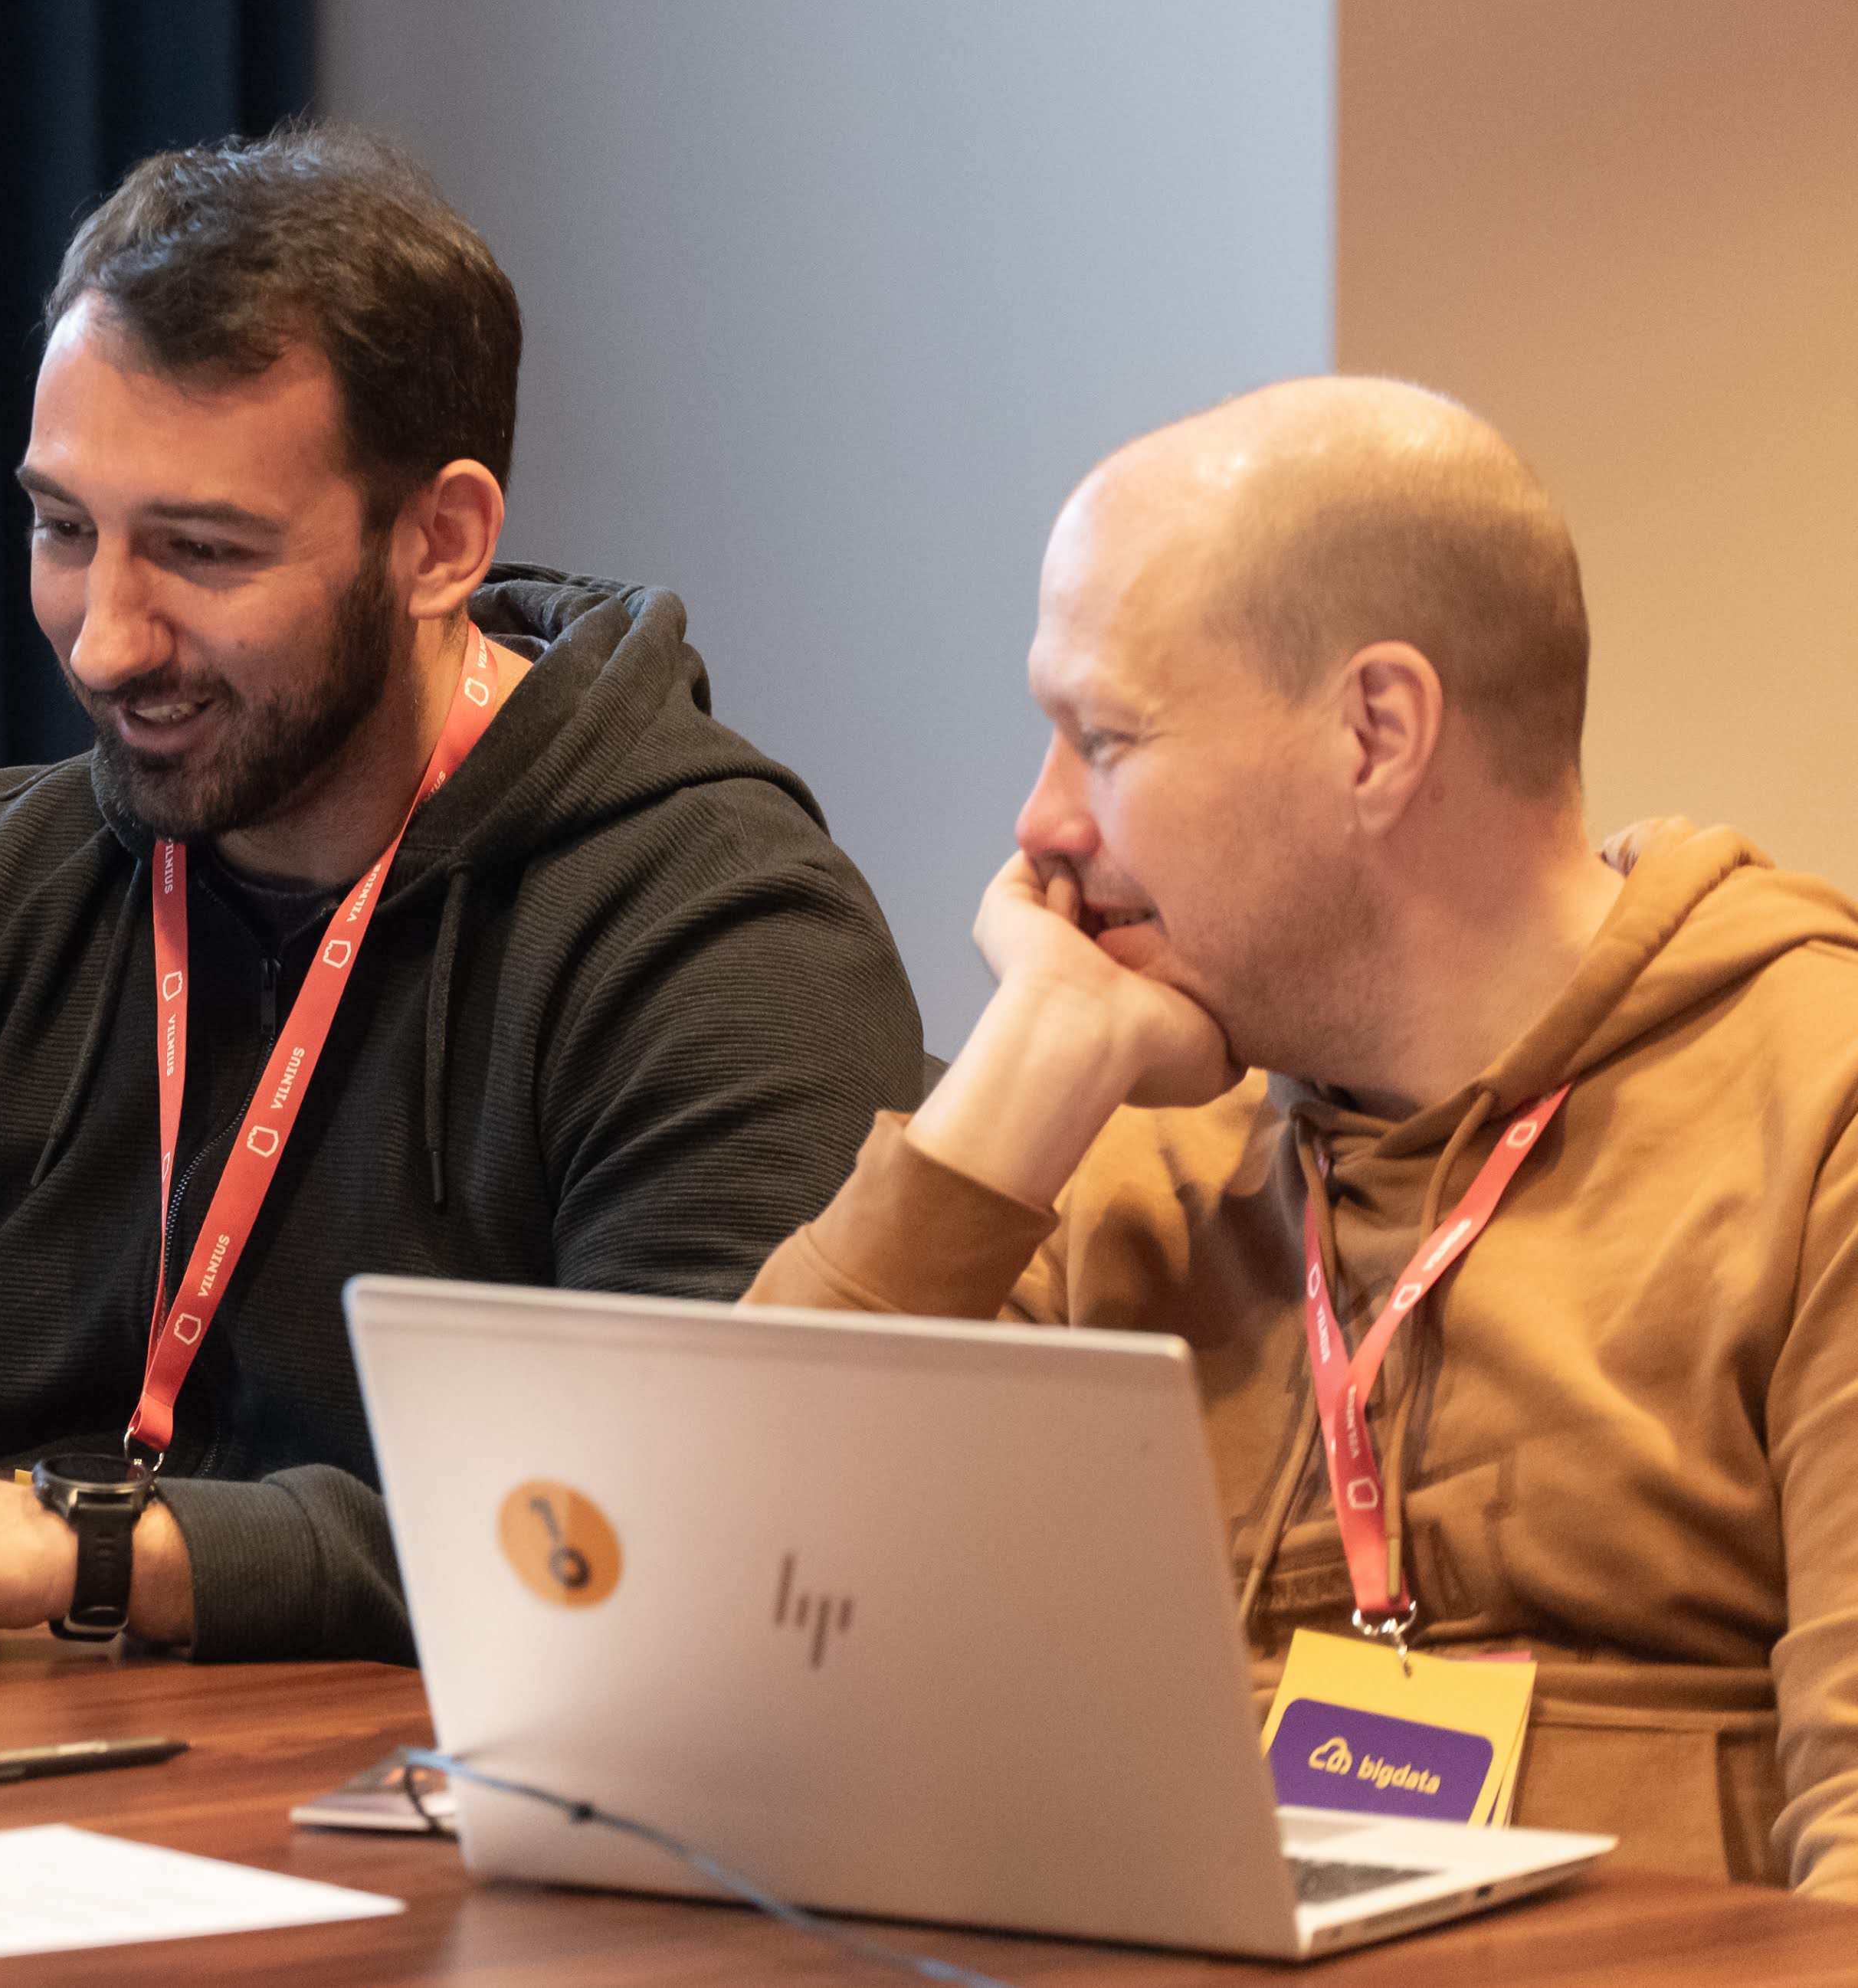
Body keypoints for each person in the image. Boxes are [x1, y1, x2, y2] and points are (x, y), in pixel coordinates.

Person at [0, 126, 931, 1661]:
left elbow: (688, 1521)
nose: (103, 642)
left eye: (202, 551)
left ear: (440, 543)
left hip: (435, 1783)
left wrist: (97, 1547)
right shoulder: (0, 889)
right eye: (65, 528)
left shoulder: (716, 934)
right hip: (18, 1758)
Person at [749, 378, 1858, 1893]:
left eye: (1103, 737)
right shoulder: (1116, 1136)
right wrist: (1027, 1065)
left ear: (1376, 732)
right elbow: (706, 1651)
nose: (1042, 825)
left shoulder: (1816, 1108)